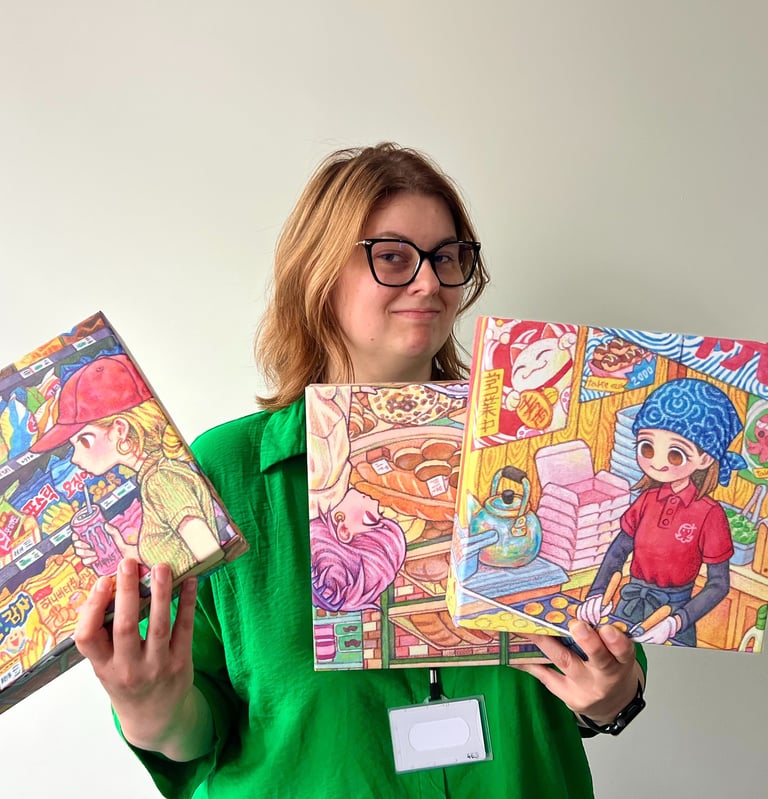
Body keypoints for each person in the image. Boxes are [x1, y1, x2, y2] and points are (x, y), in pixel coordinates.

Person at [74, 143, 646, 798]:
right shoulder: (223, 472)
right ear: (318, 273)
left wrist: (612, 694)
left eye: (448, 257)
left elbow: (605, 667)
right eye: (394, 257)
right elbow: (192, 733)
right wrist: (149, 708)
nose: (430, 283)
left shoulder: (536, 447)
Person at [579, 378, 747, 646]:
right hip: (627, 607)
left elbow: (718, 585)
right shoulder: (647, 500)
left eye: (675, 454)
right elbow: (618, 551)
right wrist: (597, 593)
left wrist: (676, 621)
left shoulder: (710, 514)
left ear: (705, 458)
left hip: (674, 617)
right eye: (647, 447)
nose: (657, 462)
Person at [31, 354, 222, 577]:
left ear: (120, 430)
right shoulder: (157, 474)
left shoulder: (161, 481)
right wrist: (128, 553)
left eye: (84, 440)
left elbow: (208, 551)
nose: (74, 458)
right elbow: (181, 551)